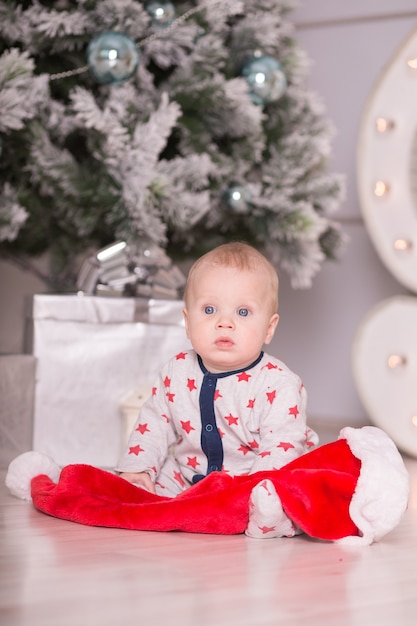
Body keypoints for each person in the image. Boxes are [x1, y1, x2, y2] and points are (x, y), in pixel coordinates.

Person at [116, 242, 318, 496]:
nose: (224, 323)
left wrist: (254, 491)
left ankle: (261, 506)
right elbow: (154, 424)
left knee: (286, 494)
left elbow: (280, 447)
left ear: (269, 328)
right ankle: (144, 489)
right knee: (146, 486)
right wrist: (139, 468)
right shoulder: (176, 371)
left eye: (243, 312)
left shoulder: (277, 384)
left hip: (254, 477)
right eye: (209, 310)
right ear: (188, 323)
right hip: (188, 475)